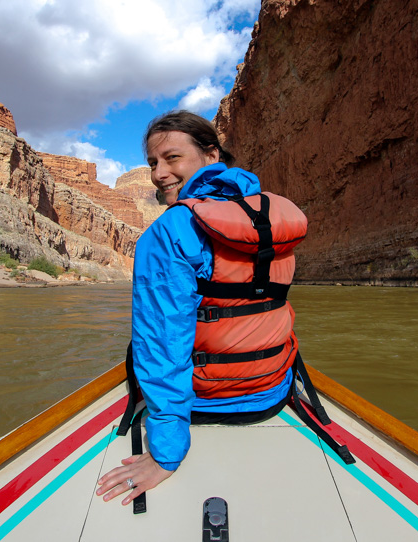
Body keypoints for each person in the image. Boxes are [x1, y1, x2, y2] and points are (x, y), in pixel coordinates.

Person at [95, 110, 302, 506]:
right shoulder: (268, 216)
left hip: (207, 400)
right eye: (153, 163)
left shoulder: (169, 231)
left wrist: (165, 456)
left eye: (172, 158)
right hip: (275, 388)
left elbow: (162, 347)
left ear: (211, 155)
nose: (158, 173)